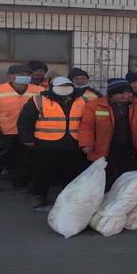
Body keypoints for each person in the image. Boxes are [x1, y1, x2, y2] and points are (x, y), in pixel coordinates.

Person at [17, 77, 89, 208]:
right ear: (52, 87)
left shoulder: (82, 100)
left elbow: (88, 123)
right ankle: (39, 195)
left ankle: (68, 197)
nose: (65, 88)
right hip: (45, 144)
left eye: (67, 85)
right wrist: (27, 139)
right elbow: (25, 121)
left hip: (72, 143)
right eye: (61, 85)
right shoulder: (38, 100)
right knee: (41, 172)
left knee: (71, 172)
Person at [0, 65, 44, 196]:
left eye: (27, 74)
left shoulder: (39, 90)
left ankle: (21, 184)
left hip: (28, 132)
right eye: (21, 74)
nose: (25, 77)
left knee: (24, 161)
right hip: (3, 131)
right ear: (11, 76)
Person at [78, 78, 137, 190]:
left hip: (131, 147)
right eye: (121, 93)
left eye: (128, 92)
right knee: (105, 176)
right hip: (105, 148)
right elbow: (87, 126)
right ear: (111, 94)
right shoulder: (94, 105)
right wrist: (86, 143)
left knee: (130, 177)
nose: (126, 96)